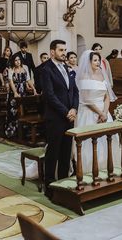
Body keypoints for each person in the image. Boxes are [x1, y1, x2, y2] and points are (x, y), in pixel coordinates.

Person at [39, 39, 79, 196]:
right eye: (61, 50)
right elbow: (49, 95)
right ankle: (49, 188)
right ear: (52, 52)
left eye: (65, 50)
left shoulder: (67, 67)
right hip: (55, 118)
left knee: (66, 153)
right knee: (53, 153)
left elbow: (74, 91)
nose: (64, 53)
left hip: (69, 117)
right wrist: (66, 111)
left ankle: (63, 184)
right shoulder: (46, 69)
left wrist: (74, 108)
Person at [73, 51, 121, 171]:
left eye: (98, 60)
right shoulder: (83, 76)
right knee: (89, 143)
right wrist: (99, 113)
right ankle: (90, 169)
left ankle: (109, 166)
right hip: (88, 112)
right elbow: (86, 99)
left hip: (104, 113)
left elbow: (107, 96)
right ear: (88, 62)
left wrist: (105, 112)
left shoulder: (101, 75)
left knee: (108, 140)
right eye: (95, 60)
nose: (98, 62)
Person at [4, 54, 34, 138]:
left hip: (23, 92)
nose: (18, 62)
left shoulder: (25, 68)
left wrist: (34, 90)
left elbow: (28, 80)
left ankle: (23, 133)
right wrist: (15, 92)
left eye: (19, 60)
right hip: (14, 93)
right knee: (13, 112)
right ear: (13, 61)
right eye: (16, 60)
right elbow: (11, 82)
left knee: (23, 111)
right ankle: (12, 133)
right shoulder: (11, 69)